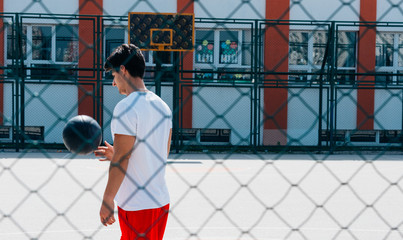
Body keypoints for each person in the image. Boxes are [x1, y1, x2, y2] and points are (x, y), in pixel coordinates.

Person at [94, 43, 172, 240]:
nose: (113, 83)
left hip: (137, 204)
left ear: (123, 70)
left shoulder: (126, 107)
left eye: (113, 76)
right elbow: (160, 153)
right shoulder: (162, 106)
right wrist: (118, 153)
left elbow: (123, 158)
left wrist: (107, 198)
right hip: (160, 201)